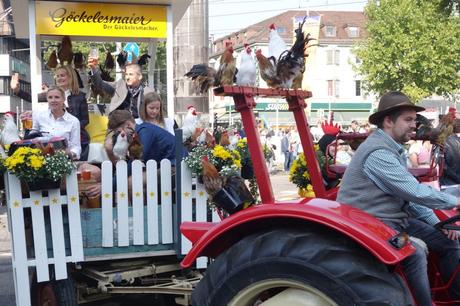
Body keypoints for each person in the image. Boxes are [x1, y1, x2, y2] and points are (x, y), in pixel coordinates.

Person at [337, 91, 460, 306]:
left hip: (396, 222)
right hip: (373, 227)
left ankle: (454, 296)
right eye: (408, 119)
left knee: (451, 242)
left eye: (414, 119)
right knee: (416, 250)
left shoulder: (393, 149)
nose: (414, 125)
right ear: (388, 121)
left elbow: (410, 199)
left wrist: (439, 224)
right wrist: (455, 202)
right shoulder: (378, 153)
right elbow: (415, 192)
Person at [12, 67, 90, 160]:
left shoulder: (80, 97)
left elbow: (85, 120)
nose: (59, 78)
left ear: (71, 77)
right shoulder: (51, 94)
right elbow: (31, 98)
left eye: (62, 75)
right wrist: (17, 90)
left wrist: (67, 128)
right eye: (57, 76)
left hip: (75, 137)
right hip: (51, 141)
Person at [88, 56, 154, 118]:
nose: (127, 77)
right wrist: (93, 68)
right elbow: (99, 84)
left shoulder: (148, 93)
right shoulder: (118, 86)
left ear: (139, 76)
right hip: (119, 125)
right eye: (126, 74)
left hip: (140, 127)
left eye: (130, 74)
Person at [31, 87, 81, 160]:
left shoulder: (73, 121)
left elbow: (76, 147)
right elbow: (32, 138)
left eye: (57, 97)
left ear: (63, 99)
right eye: (50, 97)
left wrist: (70, 154)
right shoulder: (39, 117)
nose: (53, 100)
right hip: (41, 161)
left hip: (64, 161)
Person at [440, 119, 460, 186]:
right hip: (450, 182)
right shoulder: (444, 142)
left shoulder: (443, 142)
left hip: (448, 184)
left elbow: (443, 166)